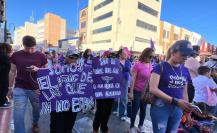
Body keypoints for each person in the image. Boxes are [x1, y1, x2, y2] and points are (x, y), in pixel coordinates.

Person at [149, 40, 194, 133]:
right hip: (161, 107)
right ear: (173, 52)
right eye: (183, 54)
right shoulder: (160, 66)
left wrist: (187, 112)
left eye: (188, 55)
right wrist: (175, 101)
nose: (186, 58)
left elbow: (184, 92)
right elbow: (153, 89)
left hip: (178, 109)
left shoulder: (185, 70)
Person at [9, 36, 47, 133]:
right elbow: (12, 71)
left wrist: (37, 69)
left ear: (36, 46)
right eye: (27, 48)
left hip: (36, 89)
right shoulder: (16, 55)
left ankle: (35, 123)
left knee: (36, 110)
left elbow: (46, 72)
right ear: (23, 46)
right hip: (20, 88)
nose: (30, 51)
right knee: (18, 115)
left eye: (33, 48)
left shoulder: (41, 56)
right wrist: (10, 88)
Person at [50, 49, 80, 133]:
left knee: (69, 126)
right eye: (71, 57)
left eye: (76, 58)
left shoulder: (80, 69)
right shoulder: (57, 67)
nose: (73, 60)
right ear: (66, 57)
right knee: (57, 127)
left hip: (73, 103)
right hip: (59, 104)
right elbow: (48, 81)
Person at [128, 48, 155, 133]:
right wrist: (131, 92)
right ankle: (131, 127)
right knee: (135, 110)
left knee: (143, 110)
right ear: (145, 55)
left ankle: (140, 125)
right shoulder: (137, 65)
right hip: (137, 91)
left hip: (146, 92)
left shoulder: (150, 65)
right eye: (150, 56)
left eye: (153, 57)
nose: (151, 58)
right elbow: (133, 79)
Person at [93, 51, 114, 133]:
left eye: (111, 56)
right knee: (100, 111)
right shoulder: (98, 65)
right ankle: (95, 128)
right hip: (100, 92)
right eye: (107, 56)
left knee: (108, 111)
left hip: (111, 92)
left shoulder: (114, 66)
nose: (109, 58)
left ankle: (104, 127)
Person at [113, 48, 132, 121]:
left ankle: (122, 114)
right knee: (115, 96)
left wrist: (133, 79)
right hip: (116, 80)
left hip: (125, 80)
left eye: (126, 54)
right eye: (124, 53)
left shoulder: (128, 62)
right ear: (120, 54)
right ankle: (114, 109)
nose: (126, 55)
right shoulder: (115, 61)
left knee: (124, 97)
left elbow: (131, 72)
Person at [0, 43, 12, 108]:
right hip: (3, 75)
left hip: (3, 74)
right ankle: (2, 102)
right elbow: (8, 63)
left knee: (3, 88)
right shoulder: (3, 55)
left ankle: (3, 100)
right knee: (3, 88)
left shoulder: (2, 54)